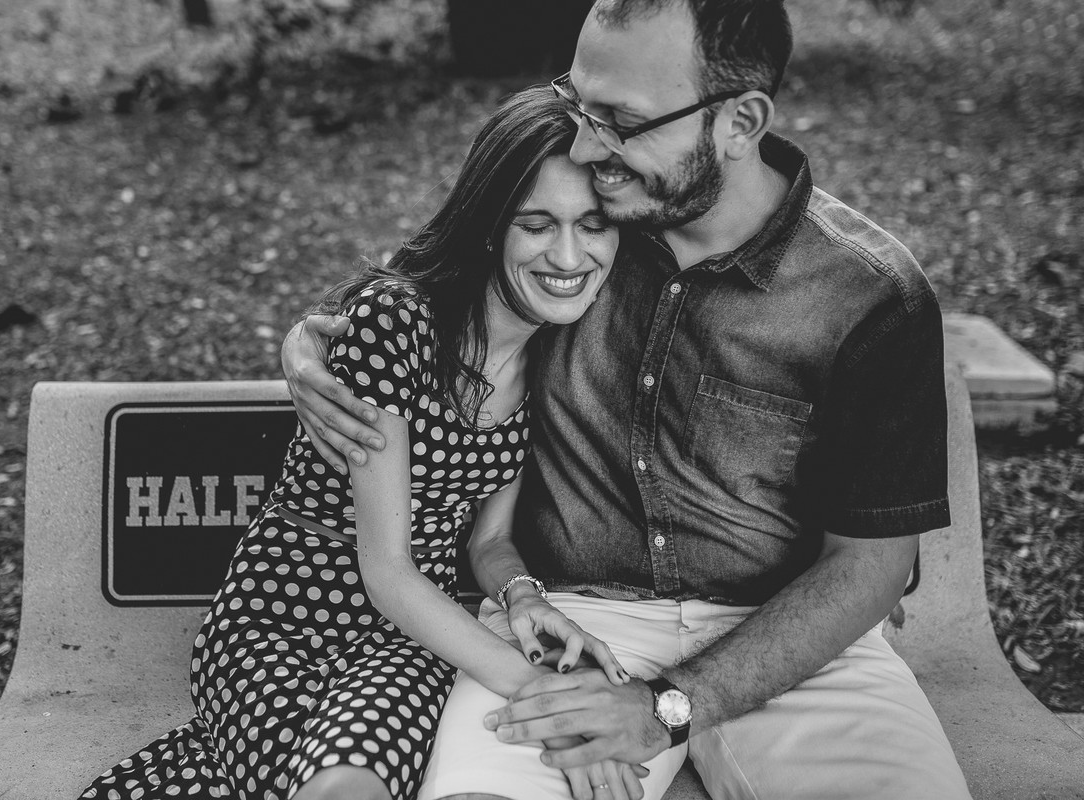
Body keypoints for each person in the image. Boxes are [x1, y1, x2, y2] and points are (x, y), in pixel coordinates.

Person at [279, 1, 974, 799]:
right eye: (579, 104)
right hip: (571, 624)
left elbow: (871, 568)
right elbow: (424, 288)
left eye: (619, 119)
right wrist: (309, 344)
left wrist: (668, 707)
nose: (583, 143)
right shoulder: (581, 215)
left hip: (790, 639)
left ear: (739, 122)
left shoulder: (869, 297)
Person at [77, 86, 647, 800]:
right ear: (492, 225)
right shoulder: (397, 324)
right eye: (536, 224)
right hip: (279, 611)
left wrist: (525, 598)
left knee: (351, 782)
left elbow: (488, 541)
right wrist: (554, 705)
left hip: (410, 635)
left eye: (593, 224)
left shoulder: (556, 357)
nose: (568, 253)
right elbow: (387, 569)